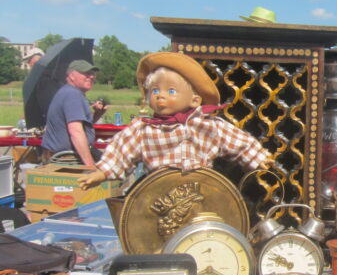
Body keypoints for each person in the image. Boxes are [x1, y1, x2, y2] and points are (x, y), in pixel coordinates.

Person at [77, 52, 272, 189]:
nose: (160, 96)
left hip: (201, 191)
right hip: (157, 192)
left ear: (195, 100)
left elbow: (236, 141)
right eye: (155, 90)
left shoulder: (205, 125)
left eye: (171, 91)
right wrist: (102, 172)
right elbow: (121, 152)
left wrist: (258, 158)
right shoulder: (144, 130)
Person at [40, 59, 107, 165]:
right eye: (86, 73)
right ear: (72, 76)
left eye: (93, 74)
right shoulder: (73, 95)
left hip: (61, 155)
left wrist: (97, 115)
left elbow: (80, 126)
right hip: (65, 159)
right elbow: (76, 132)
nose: (91, 76)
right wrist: (90, 166)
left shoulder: (69, 92)